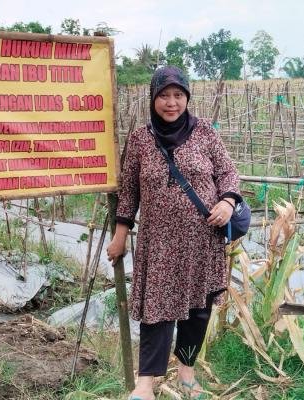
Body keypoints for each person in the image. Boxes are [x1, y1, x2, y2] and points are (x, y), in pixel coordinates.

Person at [107, 66, 242, 400]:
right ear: (153, 98)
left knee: (198, 308)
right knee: (157, 309)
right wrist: (120, 234)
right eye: (164, 96)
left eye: (177, 95)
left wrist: (227, 201)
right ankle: (145, 383)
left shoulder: (206, 133)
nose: (171, 103)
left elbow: (227, 172)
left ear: (187, 97)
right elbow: (129, 192)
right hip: (160, 243)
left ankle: (186, 374)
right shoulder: (140, 139)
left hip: (201, 240)